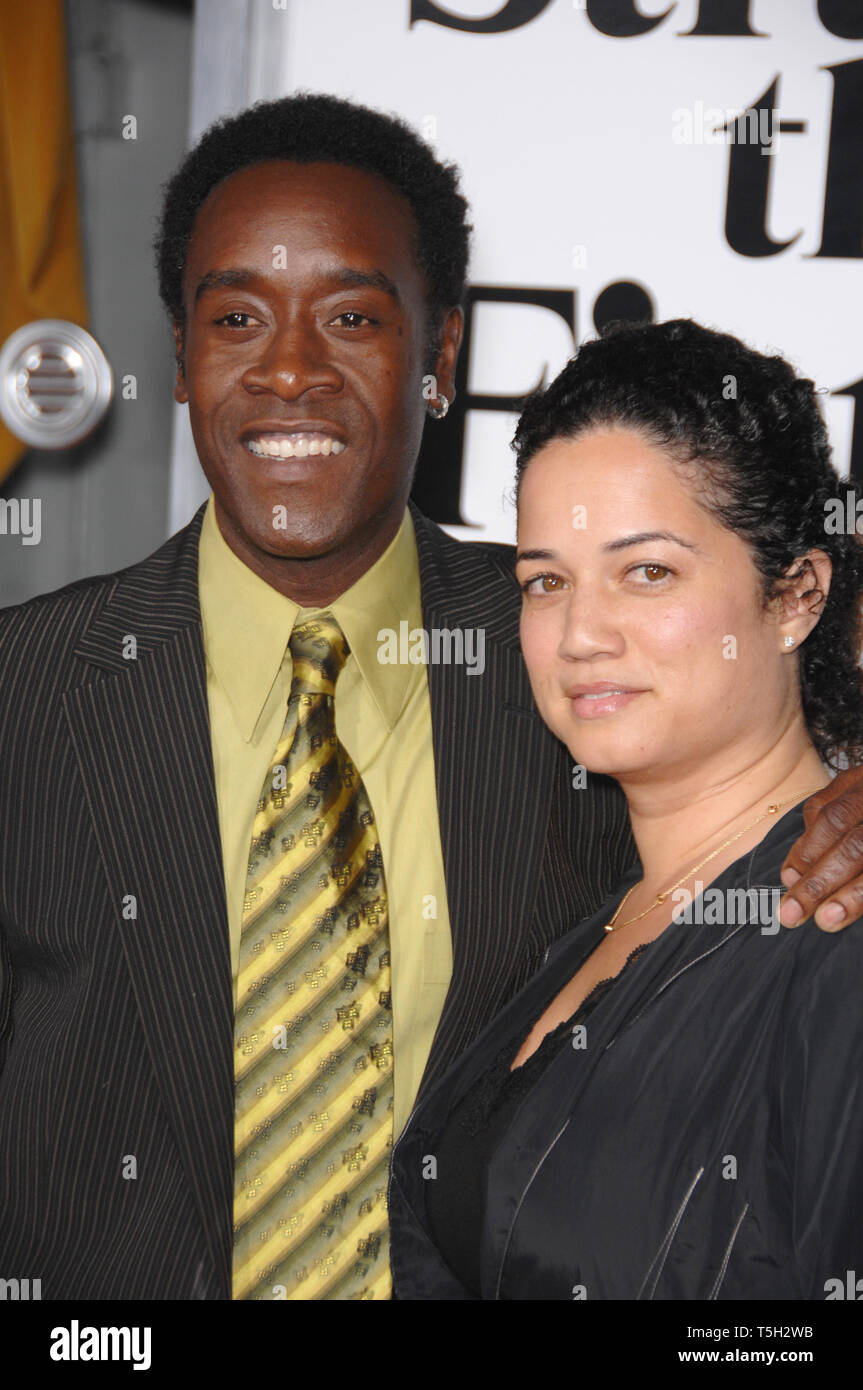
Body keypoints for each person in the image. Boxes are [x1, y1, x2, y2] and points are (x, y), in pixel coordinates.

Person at [0, 98, 859, 1302]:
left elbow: (753, 684)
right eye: (235, 317)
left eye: (352, 316)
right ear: (181, 361)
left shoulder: (561, 663)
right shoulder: (24, 693)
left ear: (443, 356)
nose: (290, 368)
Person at [388, 318, 863, 1301]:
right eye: (543, 581)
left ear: (794, 596)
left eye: (646, 571)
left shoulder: (837, 930)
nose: (579, 632)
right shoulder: (595, 918)